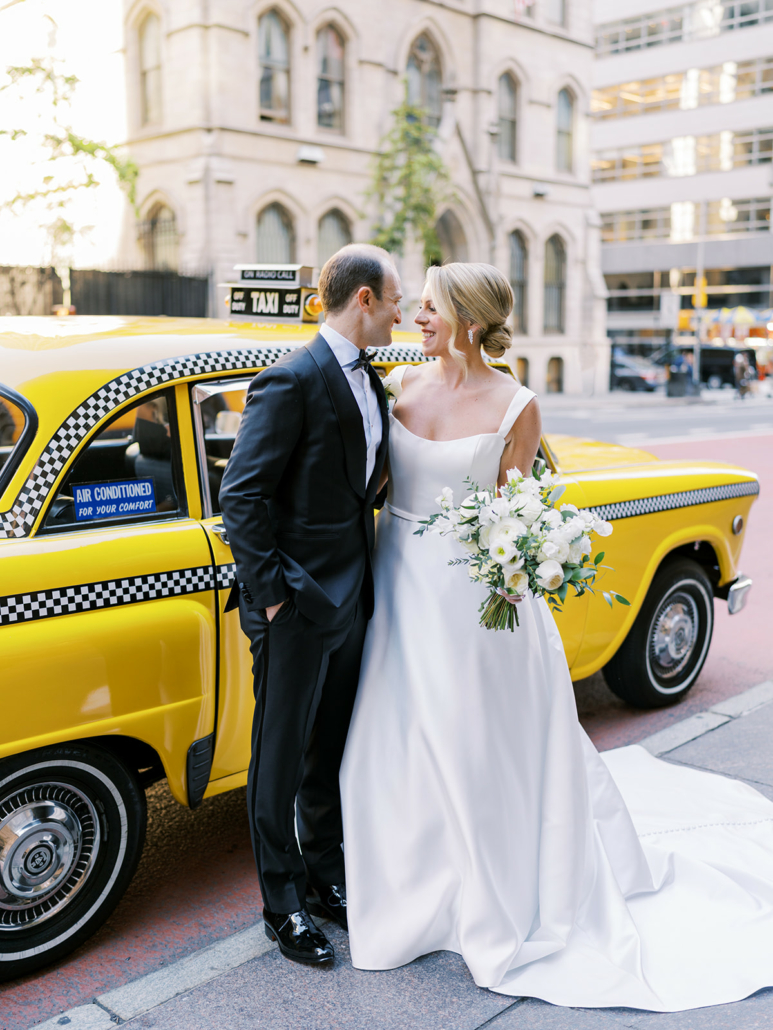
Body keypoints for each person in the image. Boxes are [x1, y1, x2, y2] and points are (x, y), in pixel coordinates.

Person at [340, 261, 773, 1011]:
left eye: (432, 307)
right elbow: (372, 484)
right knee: (394, 735)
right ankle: (407, 885)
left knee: (473, 739)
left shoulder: (517, 406)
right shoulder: (399, 386)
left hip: (474, 598)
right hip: (398, 582)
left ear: (469, 319)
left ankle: (486, 887)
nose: (418, 317)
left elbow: (521, 507)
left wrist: (523, 558)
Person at [219, 244, 401, 966]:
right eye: (395, 299)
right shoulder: (290, 379)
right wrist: (272, 600)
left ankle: (327, 879)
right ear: (364, 299)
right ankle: (283, 904)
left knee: (329, 749)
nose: (399, 313)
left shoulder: (373, 379)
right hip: (294, 607)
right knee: (280, 757)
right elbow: (241, 496)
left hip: (353, 601)